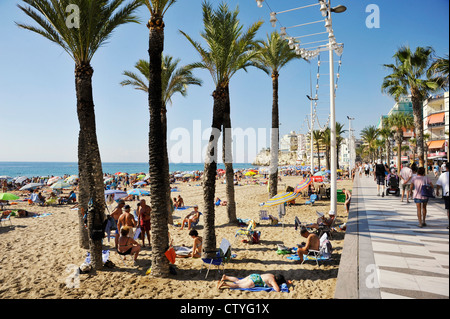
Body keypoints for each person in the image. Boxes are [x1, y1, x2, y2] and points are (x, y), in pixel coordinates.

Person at [217, 273, 289, 292]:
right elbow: (277, 289)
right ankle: (224, 284)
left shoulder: (271, 275)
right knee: (239, 286)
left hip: (254, 276)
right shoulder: (272, 280)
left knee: (238, 281)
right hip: (255, 281)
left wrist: (286, 281)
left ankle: (226, 277)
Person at [436, 162, 449, 229]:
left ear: (446, 168)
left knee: (448, 210)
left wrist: (437, 190)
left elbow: (438, 184)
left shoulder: (443, 175)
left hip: (447, 194)